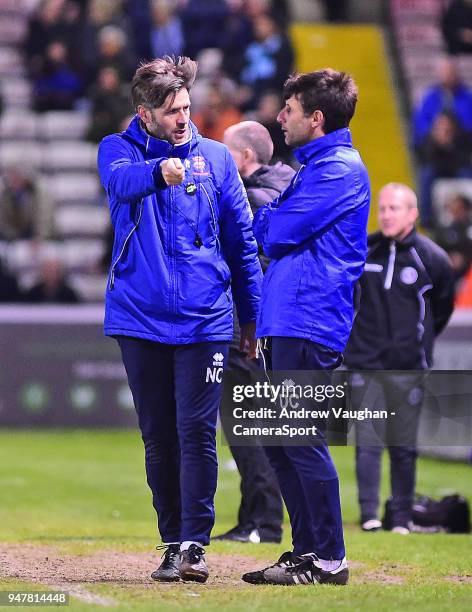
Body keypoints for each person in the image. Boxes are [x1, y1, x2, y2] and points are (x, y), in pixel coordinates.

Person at [97, 56, 261, 584]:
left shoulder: (215, 158)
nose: (182, 119)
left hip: (206, 320)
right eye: (171, 112)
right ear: (145, 114)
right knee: (158, 438)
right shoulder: (117, 150)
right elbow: (121, 184)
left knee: (196, 433)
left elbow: (241, 243)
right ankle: (171, 541)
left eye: (186, 108)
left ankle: (194, 546)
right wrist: (157, 171)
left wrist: (251, 316)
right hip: (139, 317)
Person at [242, 69, 370, 586]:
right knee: (277, 439)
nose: (280, 118)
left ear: (316, 119)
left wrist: (271, 217)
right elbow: (275, 227)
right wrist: (274, 218)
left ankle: (330, 557)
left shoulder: (338, 168)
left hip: (309, 317)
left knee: (299, 437)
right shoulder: (314, 167)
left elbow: (276, 232)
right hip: (286, 316)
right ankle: (305, 550)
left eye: (289, 110)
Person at [344, 183, 454, 533]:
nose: (387, 214)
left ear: (413, 214)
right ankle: (369, 516)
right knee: (368, 442)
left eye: (394, 208)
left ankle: (403, 518)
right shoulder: (364, 250)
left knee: (404, 445)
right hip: (364, 364)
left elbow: (441, 309)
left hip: (408, 367)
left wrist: (417, 344)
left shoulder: (432, 258)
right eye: (383, 208)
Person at [213, 120, 294, 544]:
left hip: (249, 330)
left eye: (226, 153)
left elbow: (250, 267)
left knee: (249, 428)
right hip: (271, 329)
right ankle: (253, 519)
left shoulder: (251, 199)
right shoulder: (289, 188)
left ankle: (263, 523)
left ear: (244, 158)